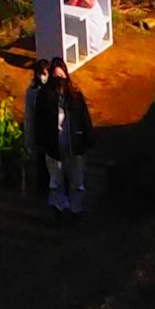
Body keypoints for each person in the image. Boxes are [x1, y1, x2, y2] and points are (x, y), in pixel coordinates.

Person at [34, 59, 97, 215]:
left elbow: (84, 118)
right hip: (54, 147)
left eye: (61, 78)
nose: (59, 83)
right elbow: (38, 121)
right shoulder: (44, 96)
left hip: (74, 146)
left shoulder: (75, 95)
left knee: (77, 181)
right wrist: (40, 143)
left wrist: (89, 139)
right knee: (56, 181)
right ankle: (58, 208)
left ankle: (76, 210)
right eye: (56, 79)